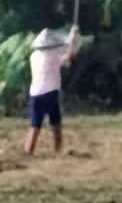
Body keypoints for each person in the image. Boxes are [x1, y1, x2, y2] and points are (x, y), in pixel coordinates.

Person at [24, 25, 81, 155]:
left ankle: (28, 151)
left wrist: (72, 39)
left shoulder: (34, 56)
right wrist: (74, 36)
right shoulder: (53, 54)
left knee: (35, 125)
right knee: (56, 123)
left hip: (35, 92)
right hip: (50, 91)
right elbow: (70, 54)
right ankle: (58, 151)